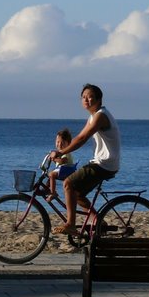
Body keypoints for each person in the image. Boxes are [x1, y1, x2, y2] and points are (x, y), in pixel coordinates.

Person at [52, 83, 120, 236]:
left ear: (99, 99)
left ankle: (70, 224)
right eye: (83, 97)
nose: (86, 100)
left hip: (105, 164)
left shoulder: (101, 116)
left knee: (68, 183)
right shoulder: (93, 116)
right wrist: (61, 152)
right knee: (77, 194)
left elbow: (82, 138)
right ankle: (97, 220)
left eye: (90, 97)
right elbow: (78, 137)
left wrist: (61, 152)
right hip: (103, 163)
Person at [45, 128, 77, 202]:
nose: (59, 144)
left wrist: (54, 159)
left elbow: (63, 161)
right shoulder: (59, 152)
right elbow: (58, 163)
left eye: (62, 143)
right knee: (49, 175)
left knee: (52, 175)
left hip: (67, 169)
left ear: (68, 144)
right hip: (63, 168)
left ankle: (53, 193)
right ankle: (47, 189)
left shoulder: (65, 152)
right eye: (57, 142)